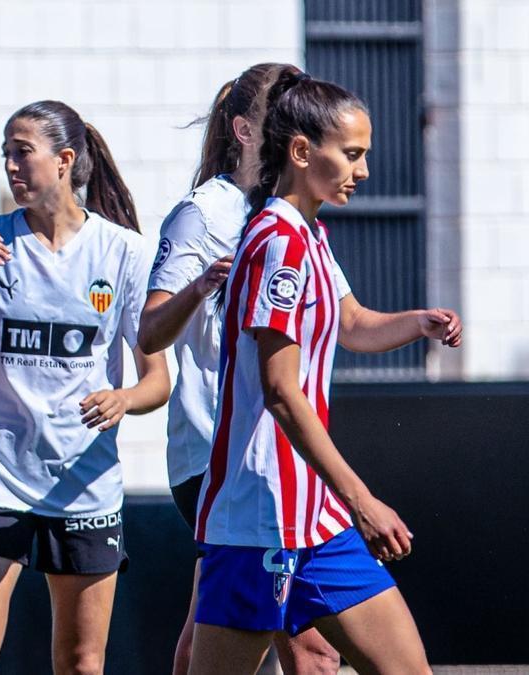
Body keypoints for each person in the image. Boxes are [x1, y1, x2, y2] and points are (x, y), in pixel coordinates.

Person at [188, 71, 460, 675]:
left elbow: (352, 323)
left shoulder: (309, 233)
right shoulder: (278, 242)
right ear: (303, 151)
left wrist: (418, 323)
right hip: (261, 518)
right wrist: (362, 500)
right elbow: (282, 393)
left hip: (316, 521)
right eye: (353, 154)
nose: (362, 171)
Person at [0, 100, 171, 675]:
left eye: (22, 152)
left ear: (66, 160)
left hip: (82, 483)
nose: (11, 166)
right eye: (5, 155)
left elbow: (157, 381)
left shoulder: (121, 252)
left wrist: (123, 399)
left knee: (80, 662)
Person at [137, 63, 344, 675]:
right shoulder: (205, 213)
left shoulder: (295, 217)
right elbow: (150, 329)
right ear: (245, 130)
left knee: (215, 642)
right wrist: (200, 286)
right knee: (309, 647)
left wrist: (416, 322)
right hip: (219, 459)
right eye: (281, 119)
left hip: (276, 461)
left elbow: (348, 315)